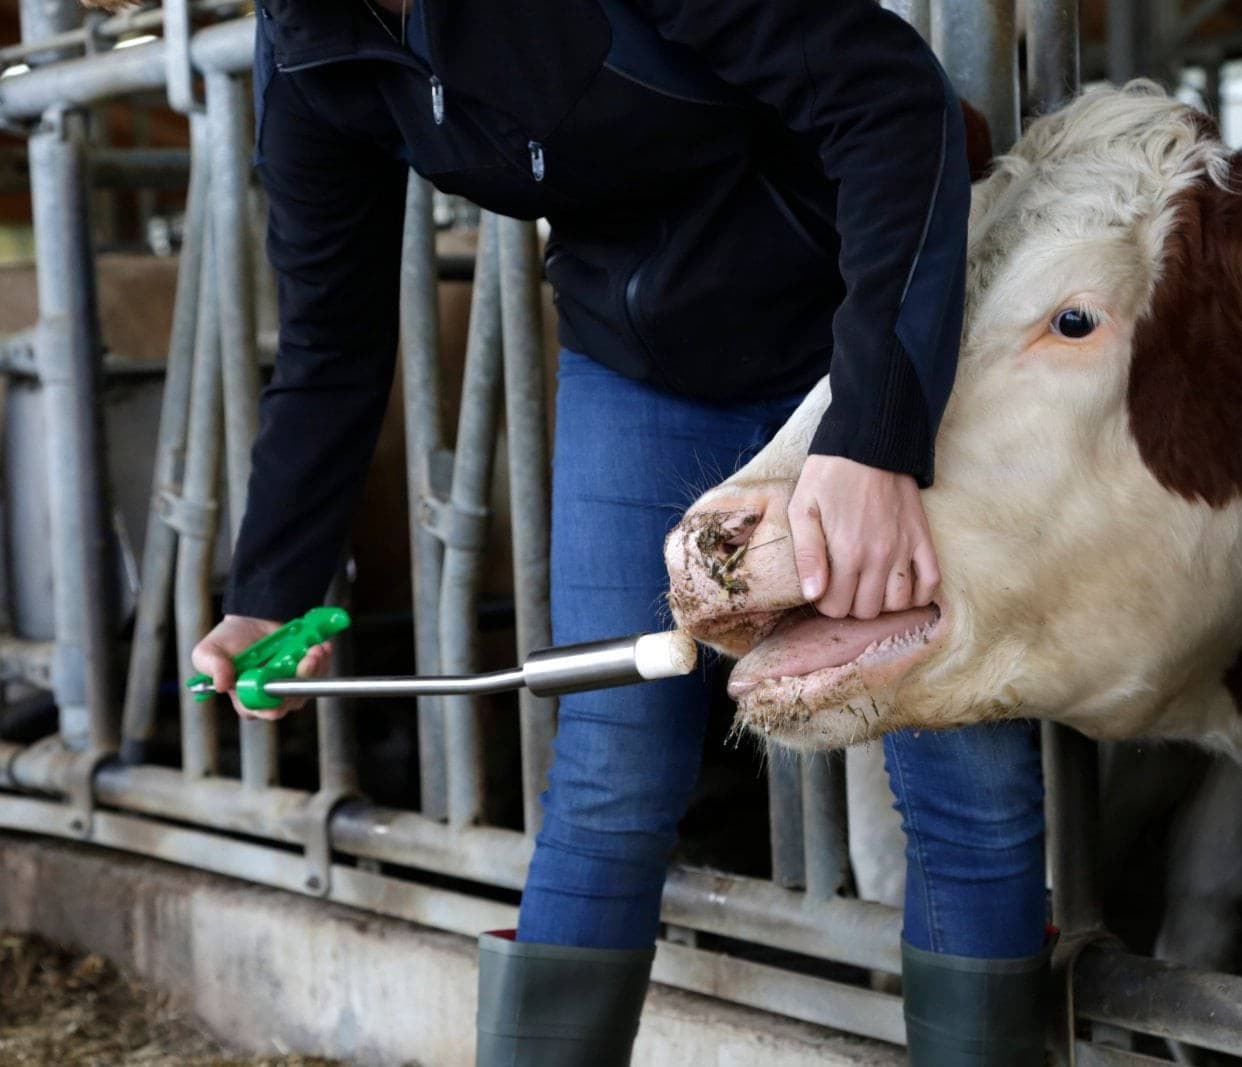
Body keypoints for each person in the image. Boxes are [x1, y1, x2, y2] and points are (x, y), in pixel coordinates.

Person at [190, 2, 1051, 1064]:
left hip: (859, 323)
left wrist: (875, 430)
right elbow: (331, 335)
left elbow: (886, 97)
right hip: (641, 364)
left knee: (963, 765)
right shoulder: (315, 47)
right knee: (610, 771)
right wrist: (267, 587)